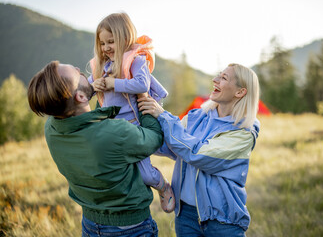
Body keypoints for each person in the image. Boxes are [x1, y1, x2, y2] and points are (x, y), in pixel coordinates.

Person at [27, 61, 163, 237]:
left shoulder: (51, 128)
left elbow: (90, 122)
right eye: (77, 74)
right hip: (130, 227)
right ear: (81, 97)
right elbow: (154, 138)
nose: (79, 69)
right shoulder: (114, 133)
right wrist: (143, 97)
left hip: (90, 223)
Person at [138, 63, 260, 237]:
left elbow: (198, 154)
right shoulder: (197, 117)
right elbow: (171, 146)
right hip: (185, 216)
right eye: (219, 74)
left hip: (222, 220)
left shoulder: (243, 132)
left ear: (240, 92)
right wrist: (138, 121)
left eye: (224, 78)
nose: (215, 79)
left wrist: (164, 116)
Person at [87, 12, 175, 213]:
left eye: (111, 41)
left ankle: (164, 186)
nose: (106, 47)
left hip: (135, 128)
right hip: (113, 131)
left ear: (125, 38)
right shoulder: (105, 66)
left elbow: (141, 83)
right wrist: (95, 86)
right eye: (102, 43)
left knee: (152, 170)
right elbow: (90, 90)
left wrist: (112, 83)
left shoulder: (136, 60)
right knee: (124, 172)